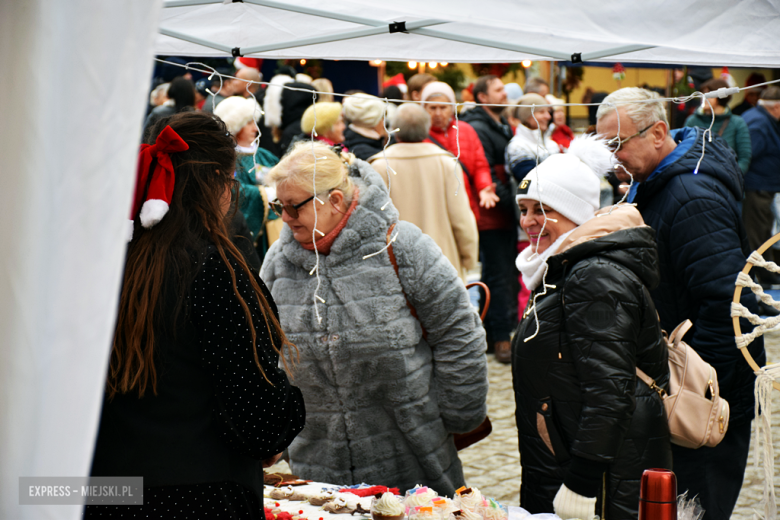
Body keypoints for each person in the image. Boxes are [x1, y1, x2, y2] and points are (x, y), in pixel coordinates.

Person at [87, 112, 305, 519]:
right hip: (195, 493)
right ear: (219, 185)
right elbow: (254, 408)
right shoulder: (213, 268)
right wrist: (279, 427)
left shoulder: (101, 259)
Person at [260, 142, 488, 496]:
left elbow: (457, 329)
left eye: (294, 206)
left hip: (412, 458)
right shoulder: (277, 261)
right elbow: (266, 350)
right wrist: (285, 433)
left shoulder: (401, 245)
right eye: (279, 206)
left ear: (335, 200)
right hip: (319, 465)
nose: (284, 218)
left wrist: (455, 412)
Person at [596, 87, 766, 520]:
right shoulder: (656, 184)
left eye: (618, 142)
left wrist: (694, 391)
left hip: (703, 396)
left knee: (696, 506)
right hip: (680, 385)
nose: (611, 155)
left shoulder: (690, 199)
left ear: (657, 133)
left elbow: (729, 306)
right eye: (604, 144)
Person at [512, 136, 672, 519]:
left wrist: (582, 481)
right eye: (524, 208)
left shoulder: (593, 277)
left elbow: (610, 390)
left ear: (574, 212)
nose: (529, 221)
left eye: (543, 209)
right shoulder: (562, 267)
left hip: (600, 475)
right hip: (562, 457)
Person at [370, 103, 479, 282]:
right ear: (427, 129)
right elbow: (461, 219)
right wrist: (468, 258)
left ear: (395, 130)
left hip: (395, 267)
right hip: (443, 263)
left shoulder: (379, 166)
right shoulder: (446, 164)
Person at [461, 75, 516, 364]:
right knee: (496, 275)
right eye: (498, 90)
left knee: (502, 274)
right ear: (483, 97)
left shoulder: (500, 124)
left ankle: (495, 331)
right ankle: (499, 338)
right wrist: (514, 199)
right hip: (491, 212)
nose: (504, 94)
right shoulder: (478, 127)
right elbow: (487, 173)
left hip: (503, 211)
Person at [214, 96, 281, 264]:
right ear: (235, 125)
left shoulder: (265, 155)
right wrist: (265, 194)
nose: (255, 128)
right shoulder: (226, 159)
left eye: (254, 122)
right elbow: (231, 190)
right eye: (249, 122)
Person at [421, 81, 498, 222]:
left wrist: (484, 186)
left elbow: (480, 165)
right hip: (433, 208)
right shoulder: (420, 135)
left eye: (443, 107)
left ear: (451, 108)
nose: (438, 113)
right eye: (432, 107)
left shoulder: (466, 129)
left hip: (467, 204)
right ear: (424, 108)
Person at [742, 87, 780, 282]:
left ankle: (767, 274)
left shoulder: (760, 119)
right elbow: (747, 156)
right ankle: (763, 276)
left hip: (762, 187)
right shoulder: (759, 123)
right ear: (777, 106)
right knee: (758, 235)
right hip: (756, 188)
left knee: (763, 232)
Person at [684, 78, 752, 174]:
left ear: (721, 97)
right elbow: (684, 152)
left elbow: (744, 158)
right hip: (698, 179)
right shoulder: (692, 121)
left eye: (708, 95)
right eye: (703, 94)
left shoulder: (737, 123)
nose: (704, 98)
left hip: (728, 180)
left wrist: (733, 177)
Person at [505, 93, 559, 182]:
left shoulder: (551, 143)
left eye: (548, 112)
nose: (548, 116)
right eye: (541, 112)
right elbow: (532, 179)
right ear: (527, 116)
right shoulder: (517, 146)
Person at [342, 94, 387, 160]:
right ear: (372, 121)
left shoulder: (350, 139)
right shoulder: (367, 153)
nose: (384, 124)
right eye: (382, 118)